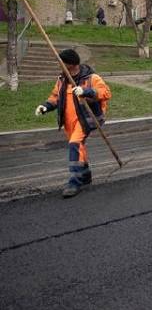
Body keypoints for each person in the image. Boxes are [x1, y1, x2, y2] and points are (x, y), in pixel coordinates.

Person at [35, 49, 112, 198]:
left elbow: (106, 92)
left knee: (75, 144)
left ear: (71, 64)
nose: (59, 64)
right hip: (68, 121)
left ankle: (75, 181)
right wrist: (46, 106)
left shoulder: (91, 77)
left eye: (61, 62)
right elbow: (55, 97)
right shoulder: (62, 79)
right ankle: (85, 174)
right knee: (78, 146)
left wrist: (86, 91)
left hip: (87, 119)